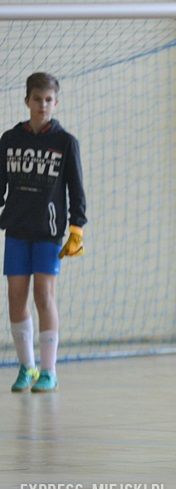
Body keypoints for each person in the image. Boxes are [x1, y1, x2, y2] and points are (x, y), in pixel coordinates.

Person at [1, 72, 87, 393]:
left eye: (48, 100)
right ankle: (27, 368)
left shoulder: (65, 143)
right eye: (37, 99)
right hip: (16, 229)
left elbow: (77, 190)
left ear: (56, 102)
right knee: (15, 297)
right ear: (27, 101)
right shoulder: (10, 140)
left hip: (49, 232)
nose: (42, 105)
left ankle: (49, 370)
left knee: (44, 296)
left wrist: (76, 228)